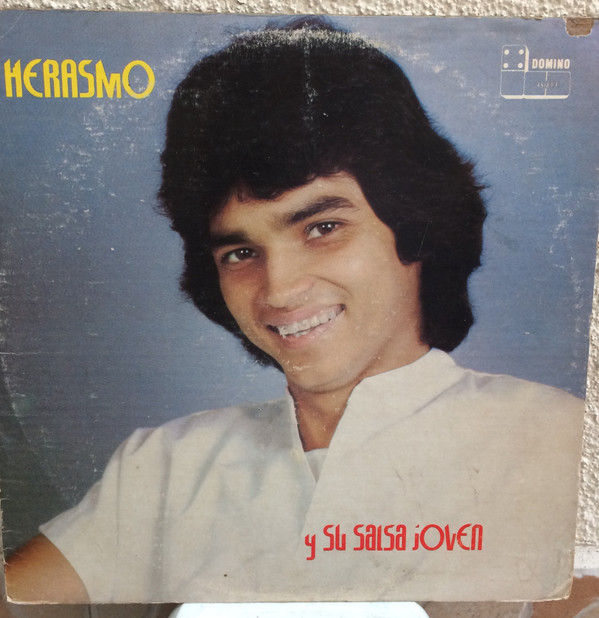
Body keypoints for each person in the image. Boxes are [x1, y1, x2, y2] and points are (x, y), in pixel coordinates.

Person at [5, 18, 583, 604]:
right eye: (240, 252)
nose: (278, 289)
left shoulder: (559, 441)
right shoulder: (168, 466)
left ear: (416, 224)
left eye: (323, 227)